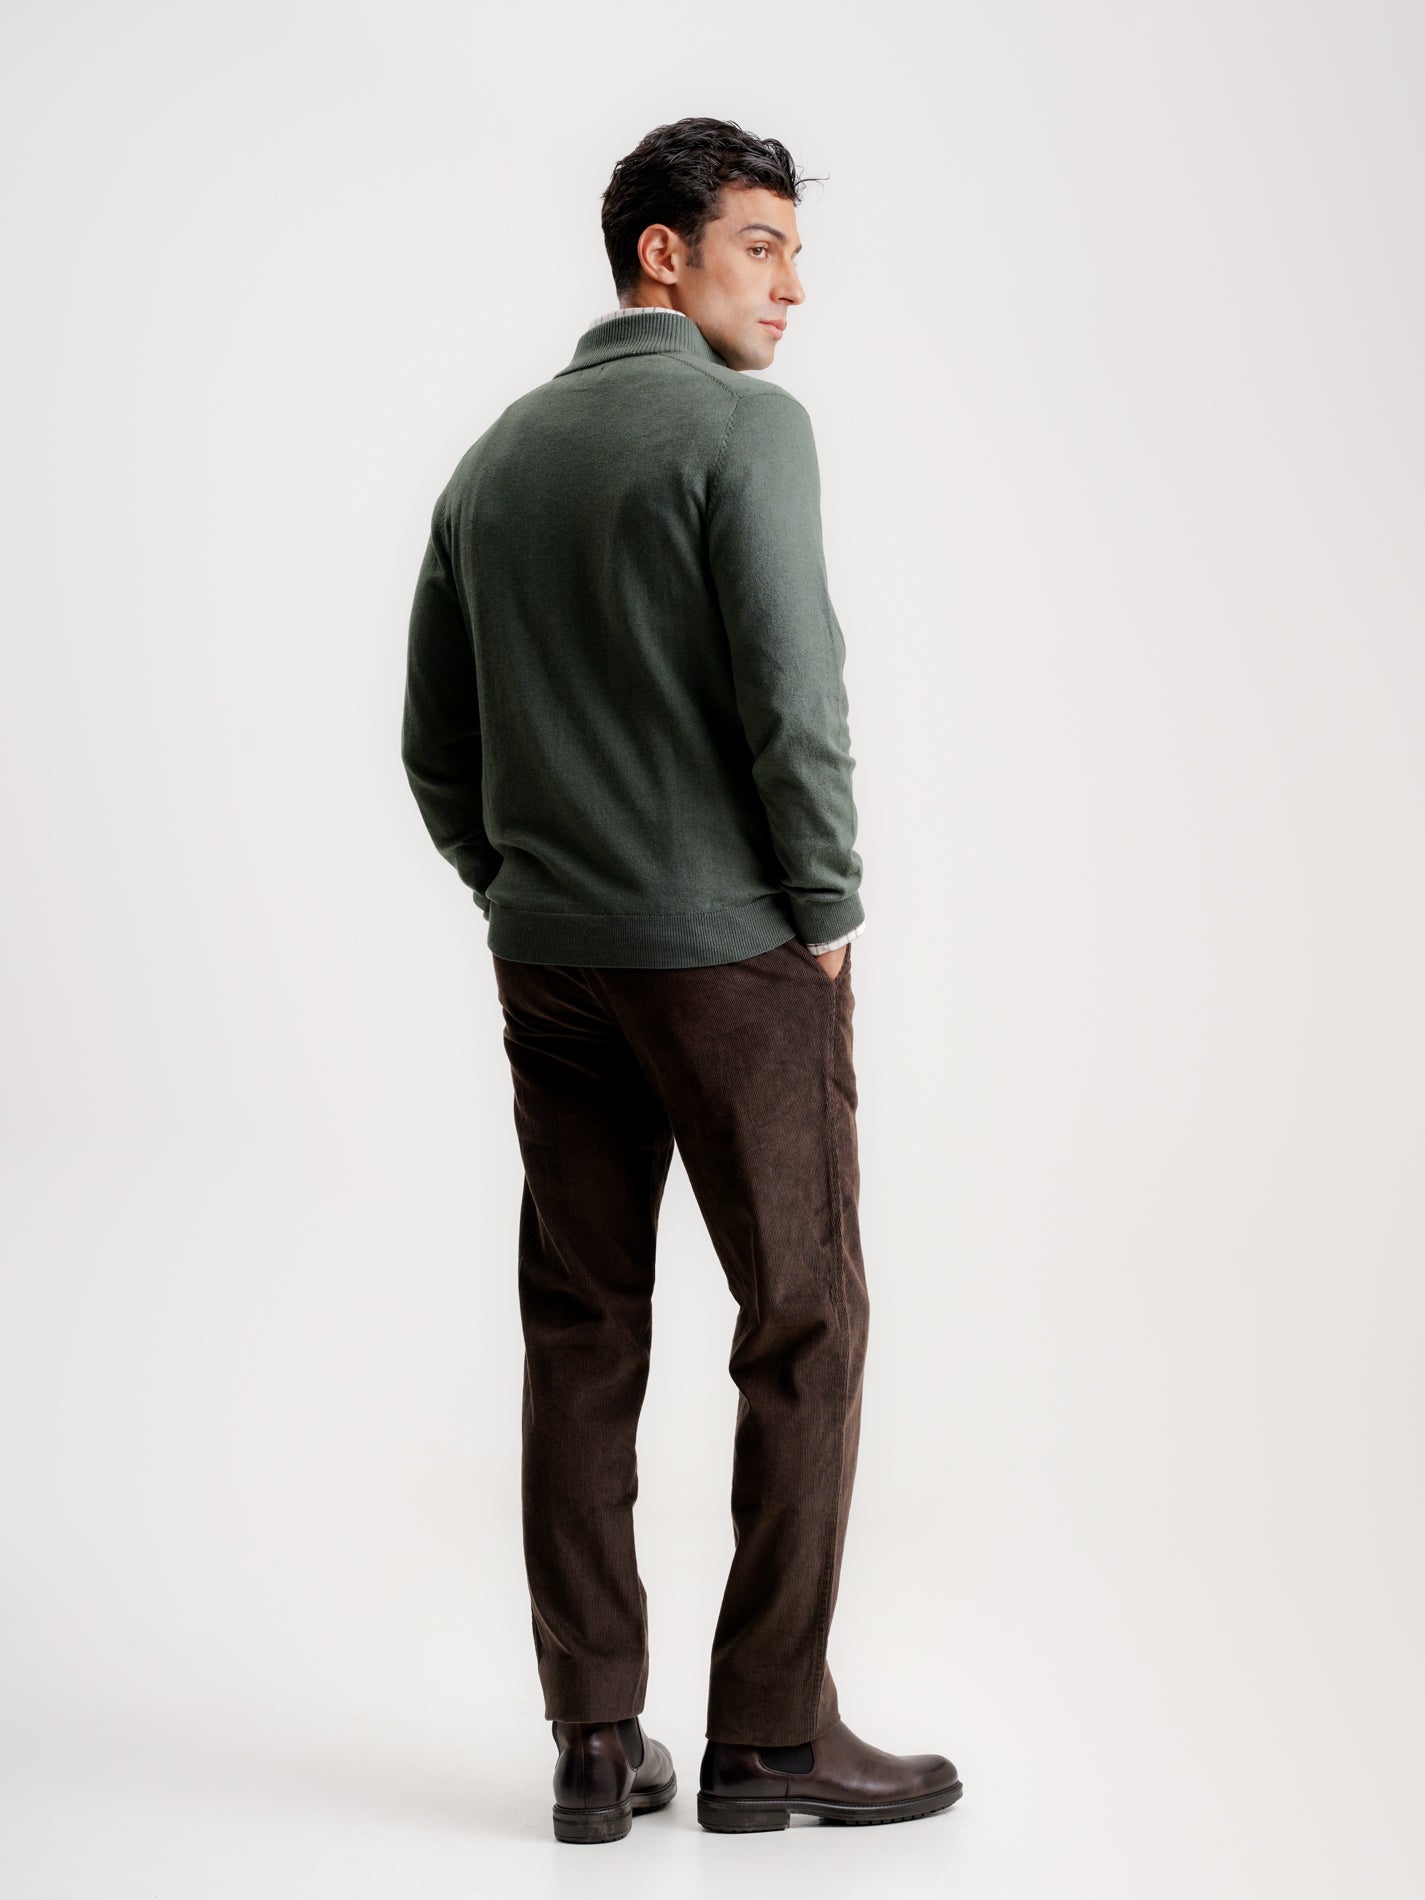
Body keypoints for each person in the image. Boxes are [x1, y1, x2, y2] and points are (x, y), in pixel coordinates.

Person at [401, 115, 962, 1843]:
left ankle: (592, 1739)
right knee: (803, 1322)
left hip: (552, 958)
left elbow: (434, 739)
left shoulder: (496, 457)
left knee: (581, 1328)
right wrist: (825, 903)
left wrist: (516, 883)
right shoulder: (741, 427)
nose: (792, 287)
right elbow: (794, 688)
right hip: (730, 956)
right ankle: (770, 1738)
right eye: (761, 246)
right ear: (665, 252)